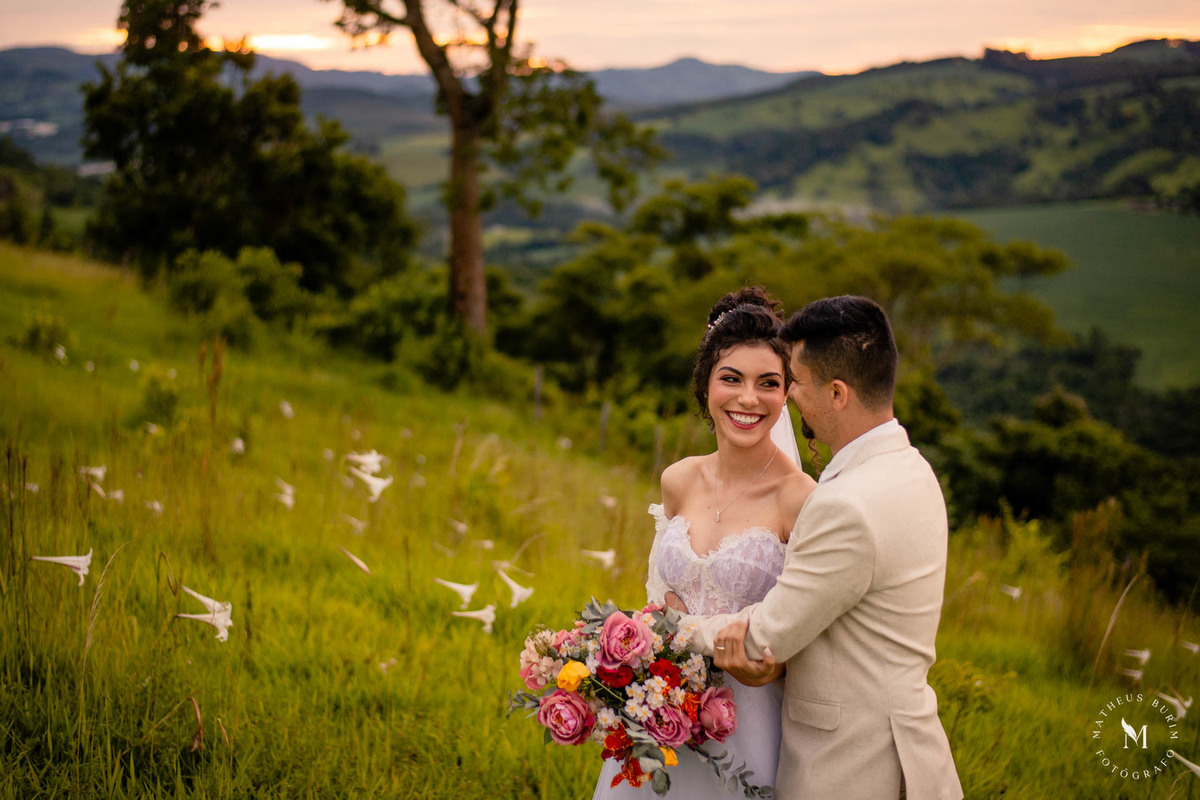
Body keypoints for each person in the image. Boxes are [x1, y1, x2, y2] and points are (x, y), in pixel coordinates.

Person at [686, 296, 963, 800]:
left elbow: (766, 636)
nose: (788, 397)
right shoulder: (911, 469)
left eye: (795, 382)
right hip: (907, 746)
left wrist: (652, 633)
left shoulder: (844, 505)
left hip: (851, 767)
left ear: (837, 393)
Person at [593, 287, 816, 799]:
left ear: (786, 395)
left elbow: (808, 623)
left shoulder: (799, 499)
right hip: (659, 711)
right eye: (731, 378)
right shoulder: (678, 479)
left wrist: (770, 666)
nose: (747, 398)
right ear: (706, 385)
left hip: (748, 720)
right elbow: (658, 598)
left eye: (768, 383)